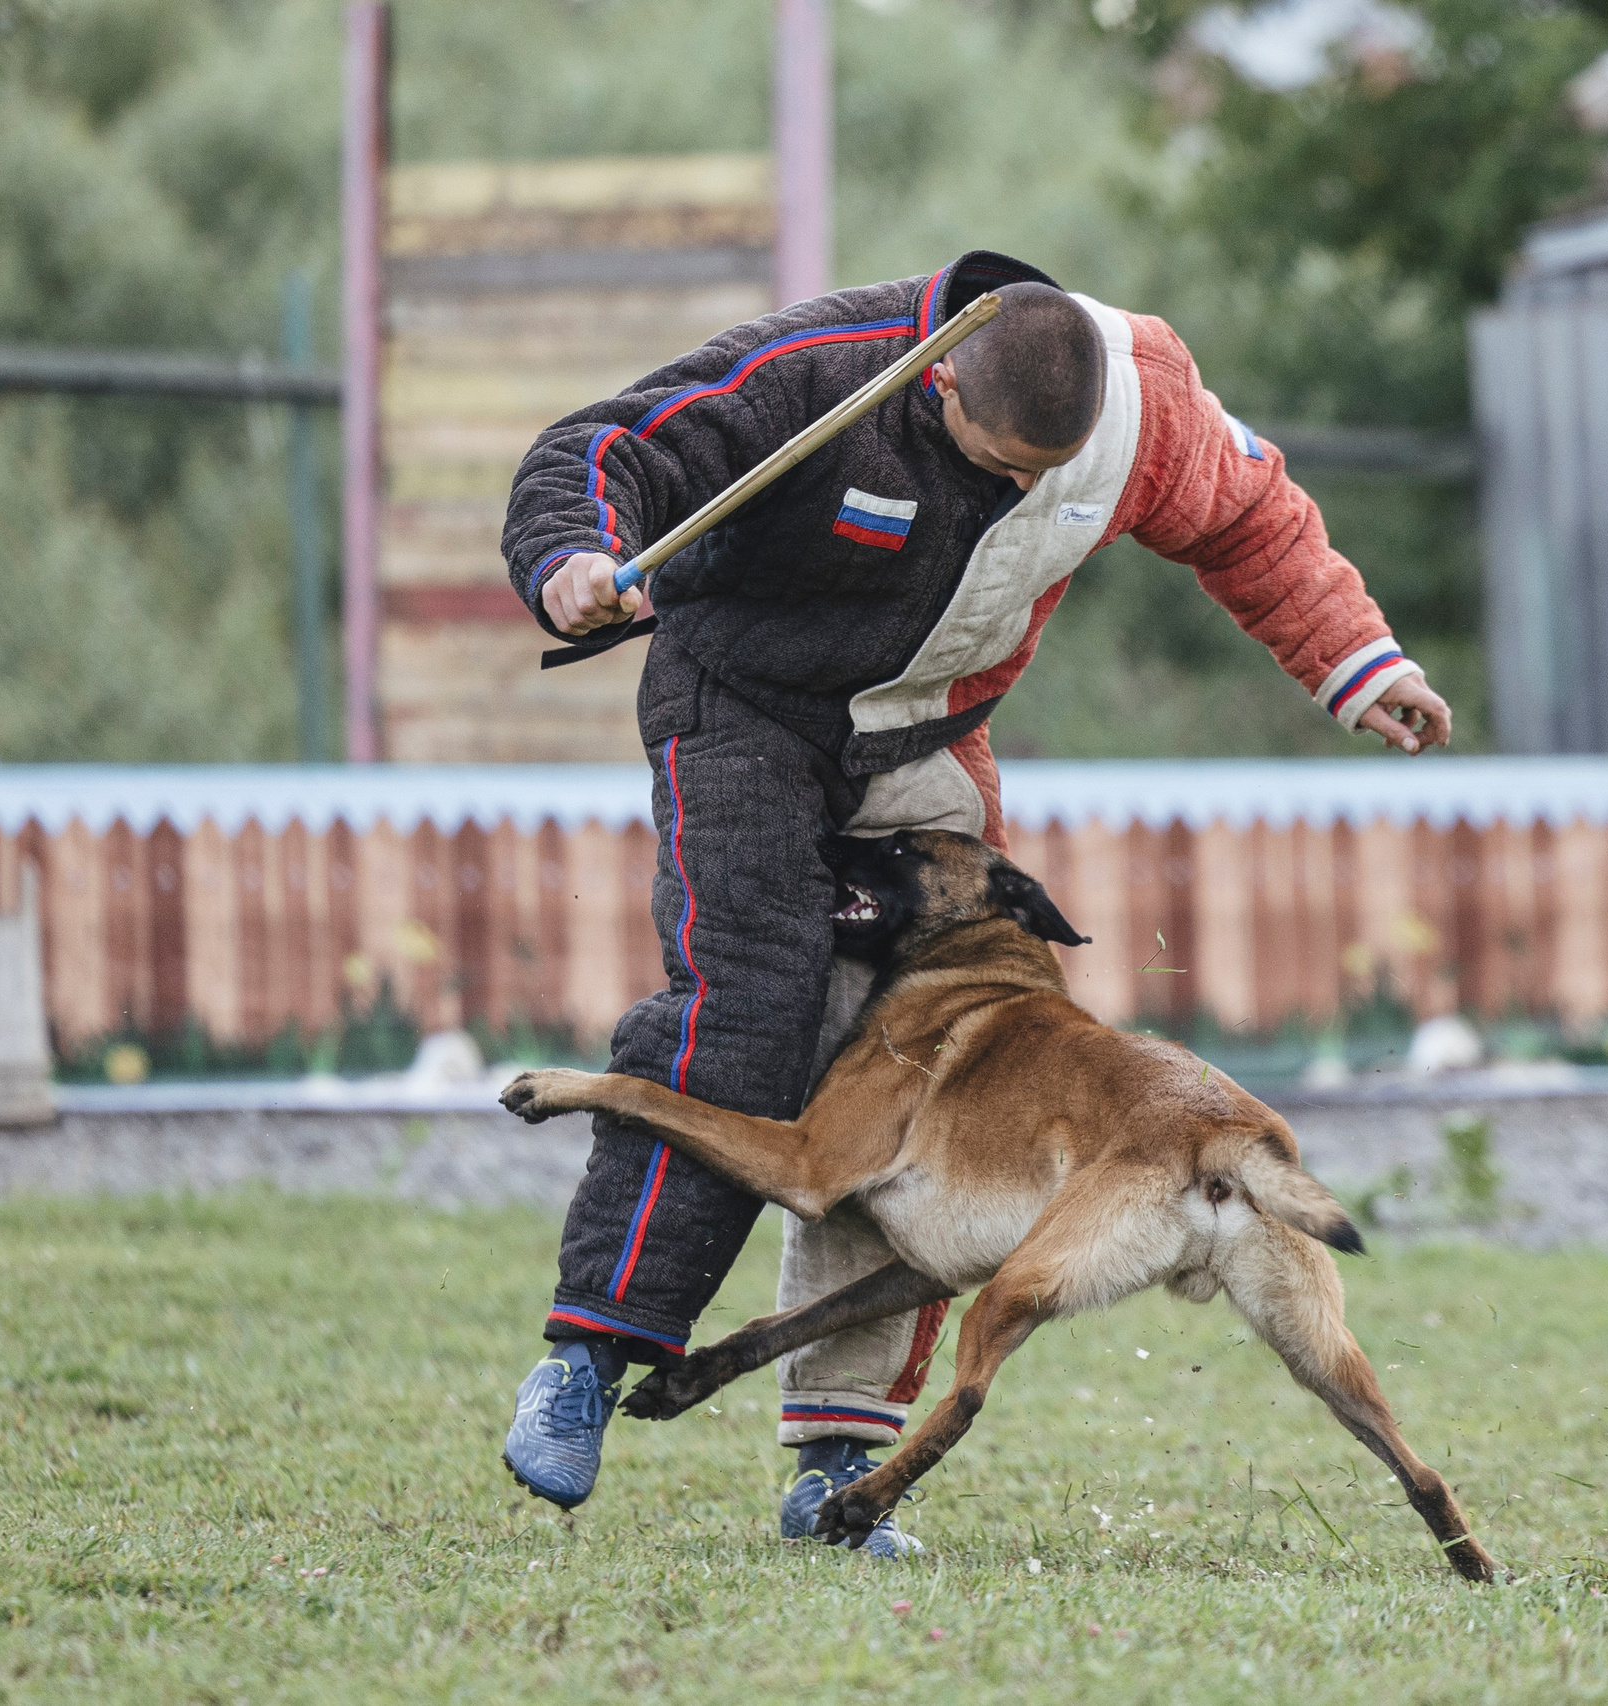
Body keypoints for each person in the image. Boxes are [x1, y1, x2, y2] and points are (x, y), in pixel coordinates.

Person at [497, 251, 1453, 1557]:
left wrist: (1359, 660)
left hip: (932, 737)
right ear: (938, 373)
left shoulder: (1144, 407)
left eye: (1033, 477)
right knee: (757, 1014)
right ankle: (590, 1358)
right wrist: (568, 558)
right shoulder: (823, 373)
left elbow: (1254, 521)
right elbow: (603, 446)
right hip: (743, 721)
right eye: (991, 461)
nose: (1007, 490)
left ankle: (835, 1460)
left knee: (965, 1055)